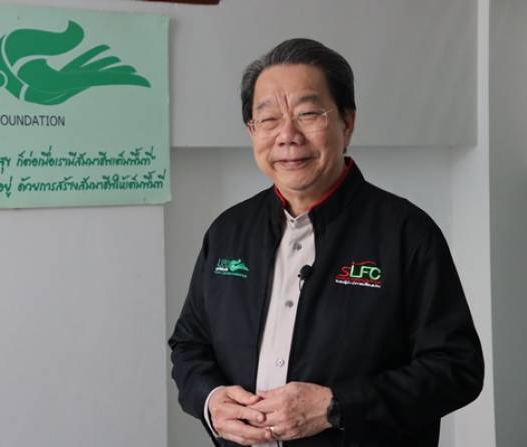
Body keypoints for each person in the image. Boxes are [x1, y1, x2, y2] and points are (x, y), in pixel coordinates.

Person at [168, 38, 484, 447]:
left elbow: (457, 368)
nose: (287, 135)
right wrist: (210, 401)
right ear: (251, 131)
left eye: (307, 114)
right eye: (268, 119)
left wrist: (338, 406)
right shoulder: (228, 231)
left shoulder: (407, 233)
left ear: (347, 123)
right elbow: (189, 344)